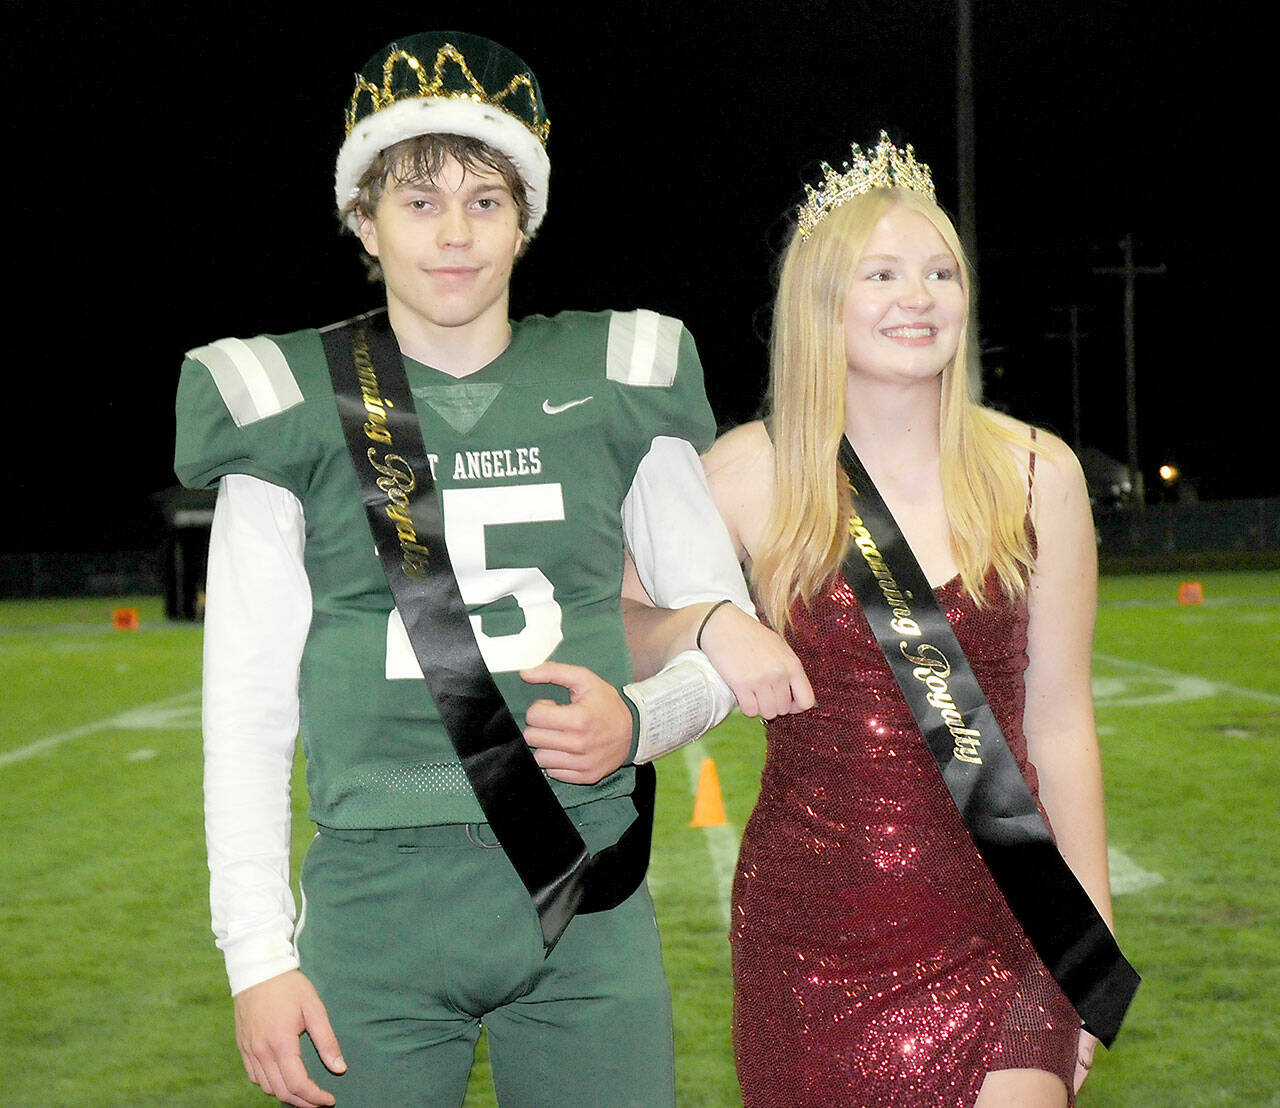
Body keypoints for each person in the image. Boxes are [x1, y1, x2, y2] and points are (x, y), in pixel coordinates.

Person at [174, 30, 809, 1108]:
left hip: (585, 891)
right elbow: (244, 707)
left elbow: (716, 634)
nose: (454, 234)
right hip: (375, 906)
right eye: (417, 203)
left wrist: (635, 722)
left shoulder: (620, 376)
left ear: (527, 219)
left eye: (484, 199)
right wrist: (257, 956)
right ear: (362, 221)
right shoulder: (288, 404)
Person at [626, 134, 1130, 1106]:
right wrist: (702, 625)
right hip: (805, 936)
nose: (921, 295)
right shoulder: (744, 473)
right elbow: (613, 615)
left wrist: (1085, 944)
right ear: (821, 302)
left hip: (1004, 924)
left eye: (940, 272)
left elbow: (1061, 723)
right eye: (885, 273)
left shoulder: (1037, 474)